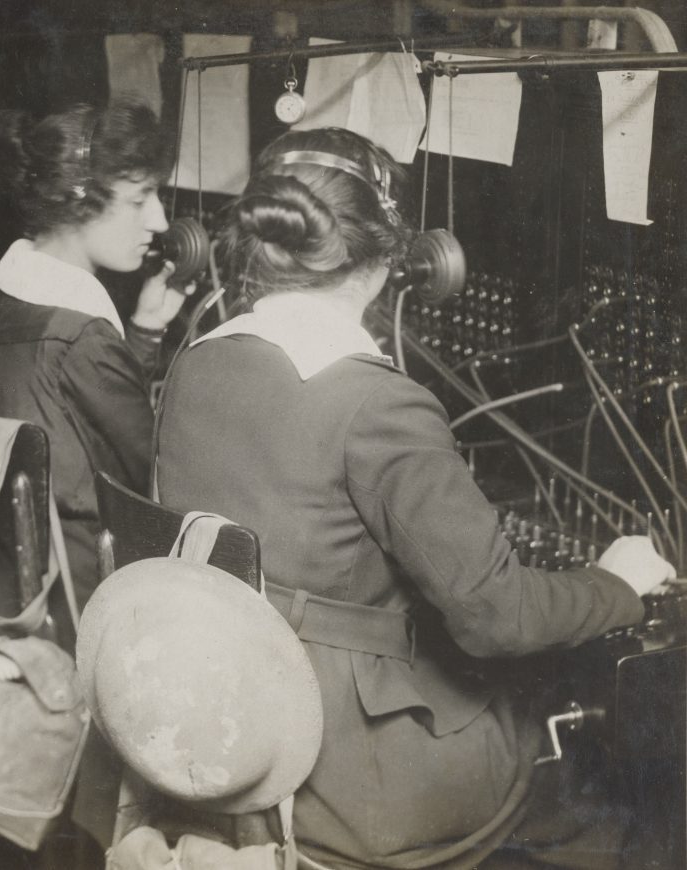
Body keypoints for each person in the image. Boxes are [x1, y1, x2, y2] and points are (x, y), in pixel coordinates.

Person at [154, 127, 676, 869]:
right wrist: (617, 584)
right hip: (350, 776)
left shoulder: (196, 366)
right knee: (615, 790)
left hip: (227, 722)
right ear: (389, 260)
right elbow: (498, 617)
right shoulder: (380, 404)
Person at [0, 101, 191, 612]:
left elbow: (74, 423)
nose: (158, 219)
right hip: (83, 594)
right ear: (78, 199)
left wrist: (145, 331)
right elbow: (151, 477)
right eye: (140, 198)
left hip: (4, 573)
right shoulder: (81, 335)